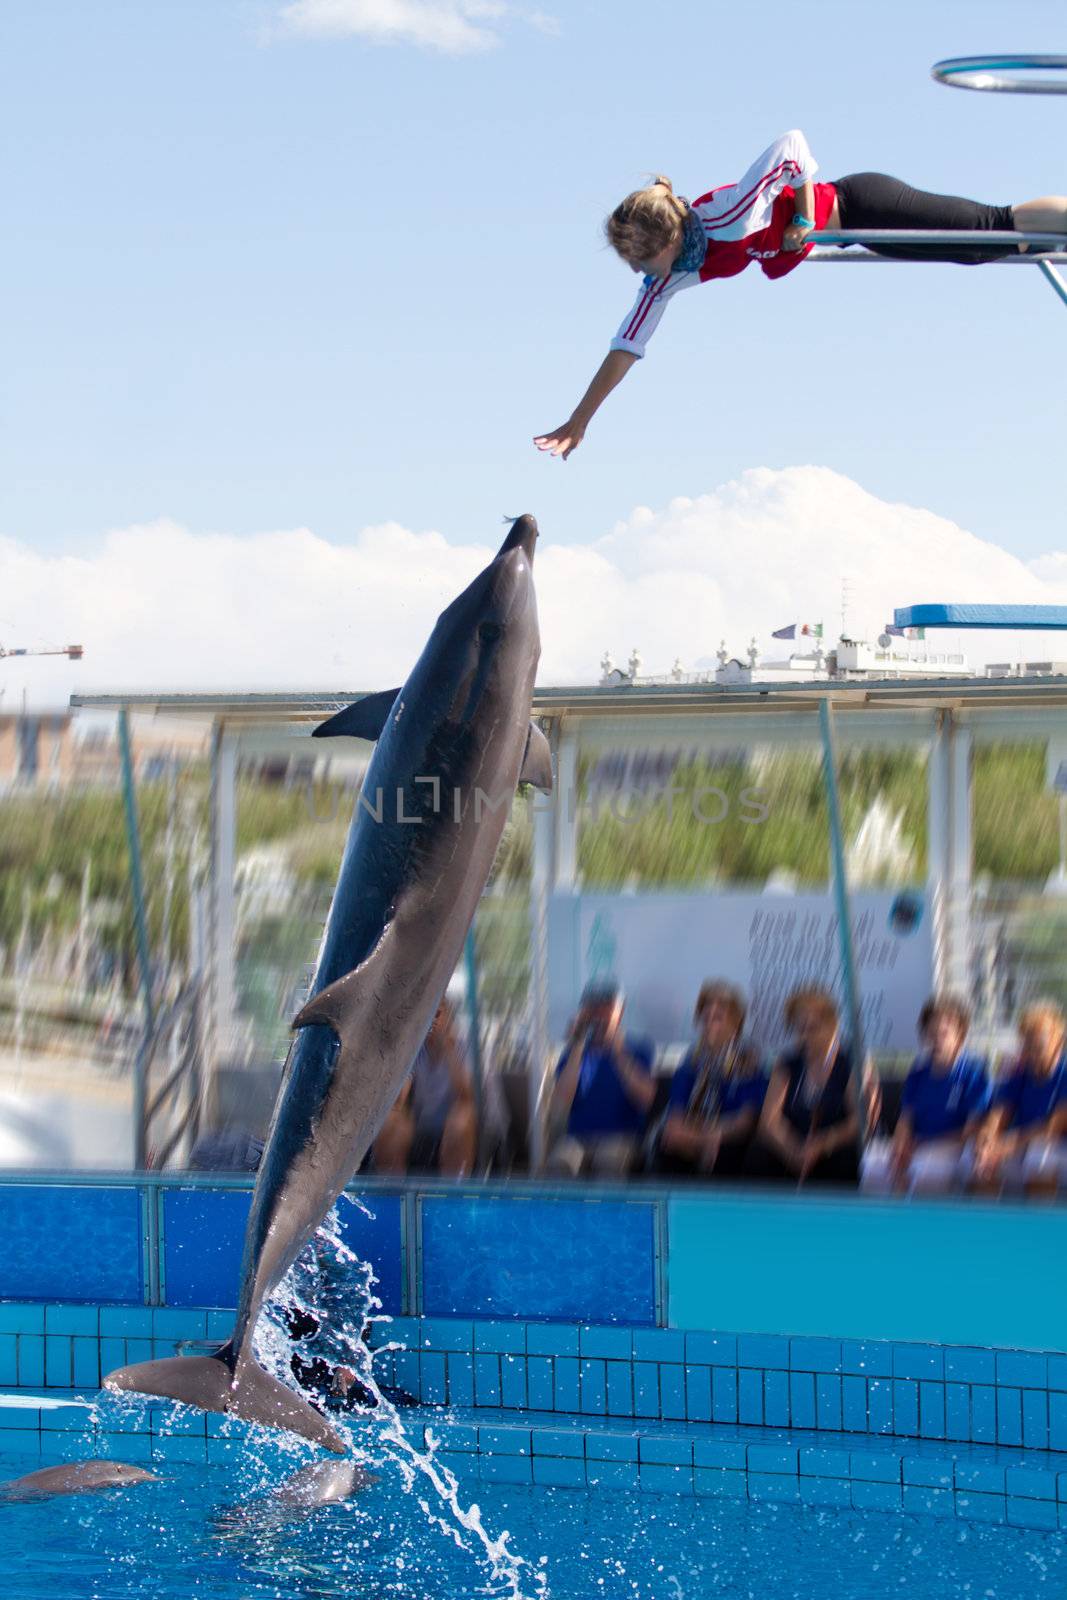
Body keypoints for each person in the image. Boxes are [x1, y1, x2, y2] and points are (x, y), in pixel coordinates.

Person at [533, 129, 1067, 459]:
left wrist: (805, 217)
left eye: (641, 259)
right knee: (983, 251)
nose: (639, 272)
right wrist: (580, 420)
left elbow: (792, 144)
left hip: (862, 203)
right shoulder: (671, 276)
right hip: (856, 229)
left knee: (990, 226)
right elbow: (626, 345)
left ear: (667, 239)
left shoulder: (725, 214)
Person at [862, 996, 990, 1195]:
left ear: (960, 1036)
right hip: (918, 1146)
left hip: (952, 1148)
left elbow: (971, 1131)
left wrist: (921, 1145)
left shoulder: (974, 1072)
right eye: (930, 1034)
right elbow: (905, 1120)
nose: (936, 1041)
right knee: (869, 1165)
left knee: (924, 1170)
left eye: (943, 1034)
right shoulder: (918, 1071)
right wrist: (900, 1148)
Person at [748, 986, 860, 1187]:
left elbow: (859, 1121)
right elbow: (769, 1120)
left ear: (832, 1026)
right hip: (795, 1145)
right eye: (800, 1029)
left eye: (813, 1028)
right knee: (759, 1155)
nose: (806, 1036)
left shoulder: (852, 1062)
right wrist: (792, 1150)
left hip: (834, 1145)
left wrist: (822, 1145)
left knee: (845, 1161)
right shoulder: (787, 1063)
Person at [654, 981, 766, 1178]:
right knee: (666, 1143)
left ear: (734, 1024)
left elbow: (745, 1121)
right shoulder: (691, 1062)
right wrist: (701, 1140)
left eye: (717, 1019)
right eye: (705, 1018)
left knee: (728, 1152)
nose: (708, 1025)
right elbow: (675, 1117)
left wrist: (707, 1136)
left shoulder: (749, 1062)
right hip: (695, 1136)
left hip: (729, 1137)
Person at [546, 979, 656, 1177]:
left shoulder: (639, 1048)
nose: (599, 1014)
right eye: (593, 1008)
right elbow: (561, 1102)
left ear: (619, 1012)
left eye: (606, 1008)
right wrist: (577, 1045)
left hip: (621, 1138)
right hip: (578, 1139)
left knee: (608, 1163)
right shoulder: (574, 1053)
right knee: (560, 1163)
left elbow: (647, 1099)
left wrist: (618, 1052)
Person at [372, 998, 477, 1177]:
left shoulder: (466, 1046)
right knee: (390, 1122)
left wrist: (446, 1046)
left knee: (461, 1119)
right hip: (422, 1123)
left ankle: (453, 1194)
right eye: (426, 1014)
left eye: (437, 1014)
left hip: (468, 1124)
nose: (432, 1020)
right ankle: (393, 1193)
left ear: (449, 1018)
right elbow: (399, 1098)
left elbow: (467, 1096)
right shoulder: (415, 1049)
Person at [974, 1001, 1067, 1197]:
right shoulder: (1020, 1075)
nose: (1032, 1050)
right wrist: (986, 1141)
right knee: (978, 1161)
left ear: (1058, 1041)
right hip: (1025, 1144)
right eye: (1027, 1042)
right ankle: (989, 1224)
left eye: (1038, 1043)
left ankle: (1042, 1224)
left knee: (1039, 1158)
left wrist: (1005, 1146)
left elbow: (1052, 1129)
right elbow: (998, 1115)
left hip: (1056, 1147)